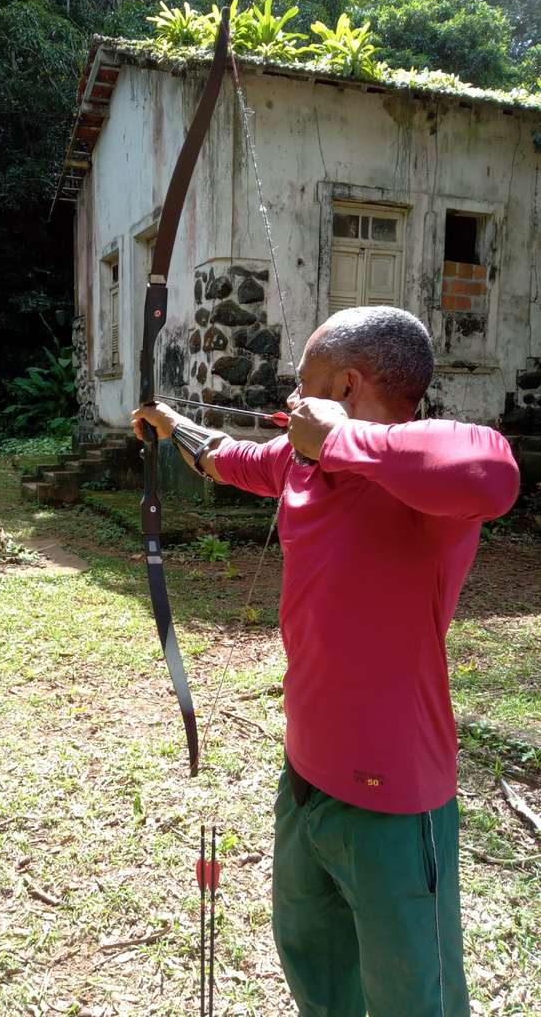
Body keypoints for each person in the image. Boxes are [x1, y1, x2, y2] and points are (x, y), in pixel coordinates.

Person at [132, 306, 520, 1017]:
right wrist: (169, 424)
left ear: (345, 388)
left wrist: (341, 439)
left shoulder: (431, 487)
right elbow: (223, 455)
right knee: (316, 973)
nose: (289, 398)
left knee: (415, 1000)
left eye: (303, 383)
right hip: (305, 778)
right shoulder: (300, 466)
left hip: (394, 804)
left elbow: (492, 473)